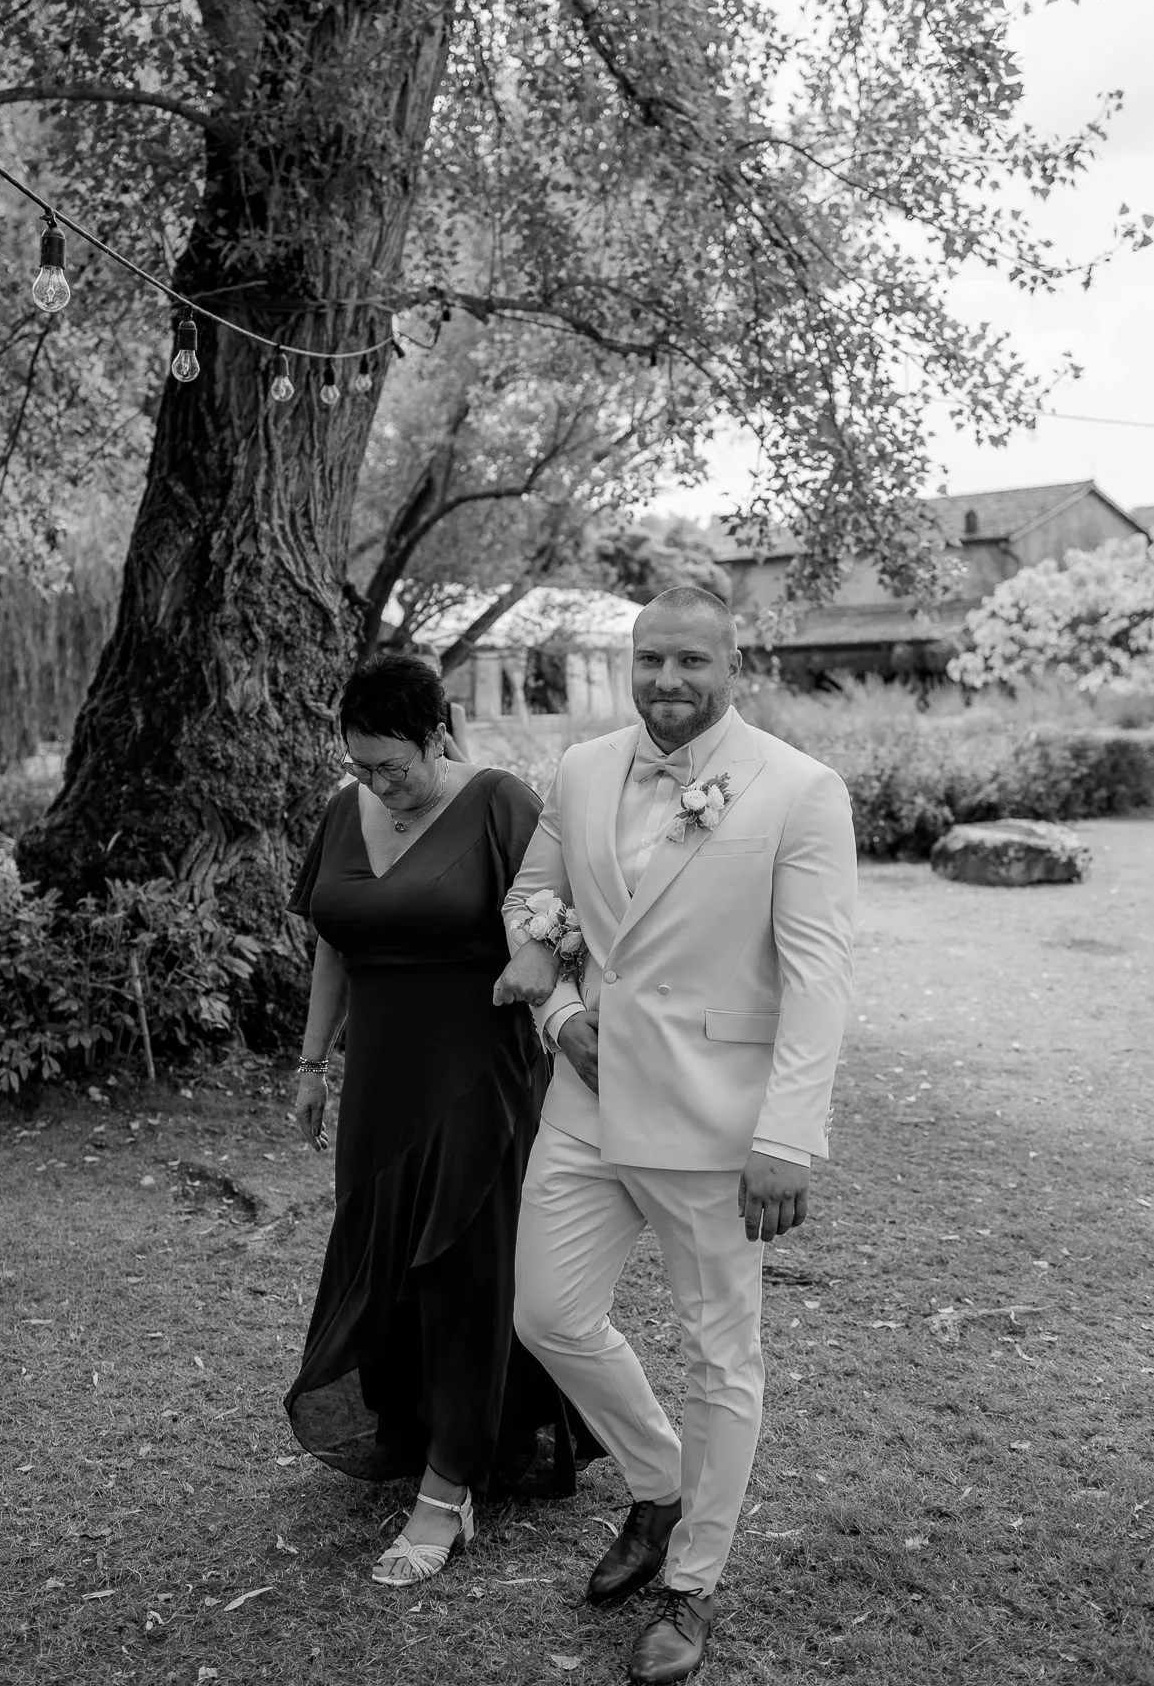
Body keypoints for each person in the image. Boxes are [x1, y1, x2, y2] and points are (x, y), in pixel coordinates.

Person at [495, 587, 856, 1684]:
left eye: (691, 661)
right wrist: (560, 1015)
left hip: (715, 1123)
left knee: (720, 1356)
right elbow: (531, 901)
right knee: (547, 1313)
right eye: (651, 659)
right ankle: (657, 1482)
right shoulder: (583, 769)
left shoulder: (798, 791)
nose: (666, 681)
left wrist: (788, 1135)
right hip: (591, 1104)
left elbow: (818, 975)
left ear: (733, 665)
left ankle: (693, 1585)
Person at [283, 653, 592, 1589]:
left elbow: (556, 922)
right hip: (379, 1082)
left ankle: (446, 1493)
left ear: (438, 733)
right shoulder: (345, 813)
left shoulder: (501, 802)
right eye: (361, 765)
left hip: (476, 1074)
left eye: (393, 765)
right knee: (387, 1265)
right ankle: (424, 1430)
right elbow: (334, 945)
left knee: (463, 1271)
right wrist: (310, 1064)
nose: (378, 784)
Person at [404, 640, 471, 760]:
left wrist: (446, 740)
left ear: (439, 670)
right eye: (416, 669)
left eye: (429, 668)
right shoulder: (394, 709)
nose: (423, 674)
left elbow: (468, 768)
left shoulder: (454, 712)